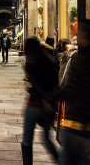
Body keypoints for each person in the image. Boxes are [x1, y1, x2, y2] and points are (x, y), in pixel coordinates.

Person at [58, 19, 90, 164]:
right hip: (81, 124)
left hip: (78, 123)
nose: (75, 35)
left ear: (84, 34)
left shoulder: (80, 59)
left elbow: (70, 88)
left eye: (77, 32)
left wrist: (50, 96)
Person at [21, 37, 59, 165]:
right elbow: (55, 83)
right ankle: (60, 160)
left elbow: (37, 85)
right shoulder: (48, 61)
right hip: (49, 107)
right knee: (47, 139)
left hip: (35, 105)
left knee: (27, 140)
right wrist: (51, 101)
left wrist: (44, 99)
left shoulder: (30, 63)